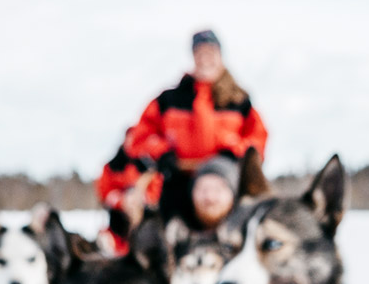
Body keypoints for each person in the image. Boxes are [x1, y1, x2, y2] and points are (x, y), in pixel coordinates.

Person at [95, 30, 266, 251]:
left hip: (222, 179)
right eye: (200, 53)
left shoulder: (239, 100)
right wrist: (162, 152)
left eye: (210, 53)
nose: (205, 59)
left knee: (220, 210)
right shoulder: (170, 99)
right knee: (170, 235)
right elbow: (141, 136)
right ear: (193, 57)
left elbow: (258, 140)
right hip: (178, 178)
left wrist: (233, 153)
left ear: (220, 56)